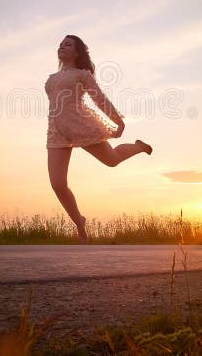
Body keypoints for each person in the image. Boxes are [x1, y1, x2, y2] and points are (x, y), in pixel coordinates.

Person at [45, 35, 153, 244]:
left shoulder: (81, 75)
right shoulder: (51, 78)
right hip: (56, 132)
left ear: (77, 53)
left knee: (112, 160)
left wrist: (118, 122)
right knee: (58, 184)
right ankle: (79, 223)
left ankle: (138, 147)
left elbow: (99, 98)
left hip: (81, 126)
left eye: (68, 45)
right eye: (60, 44)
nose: (62, 47)